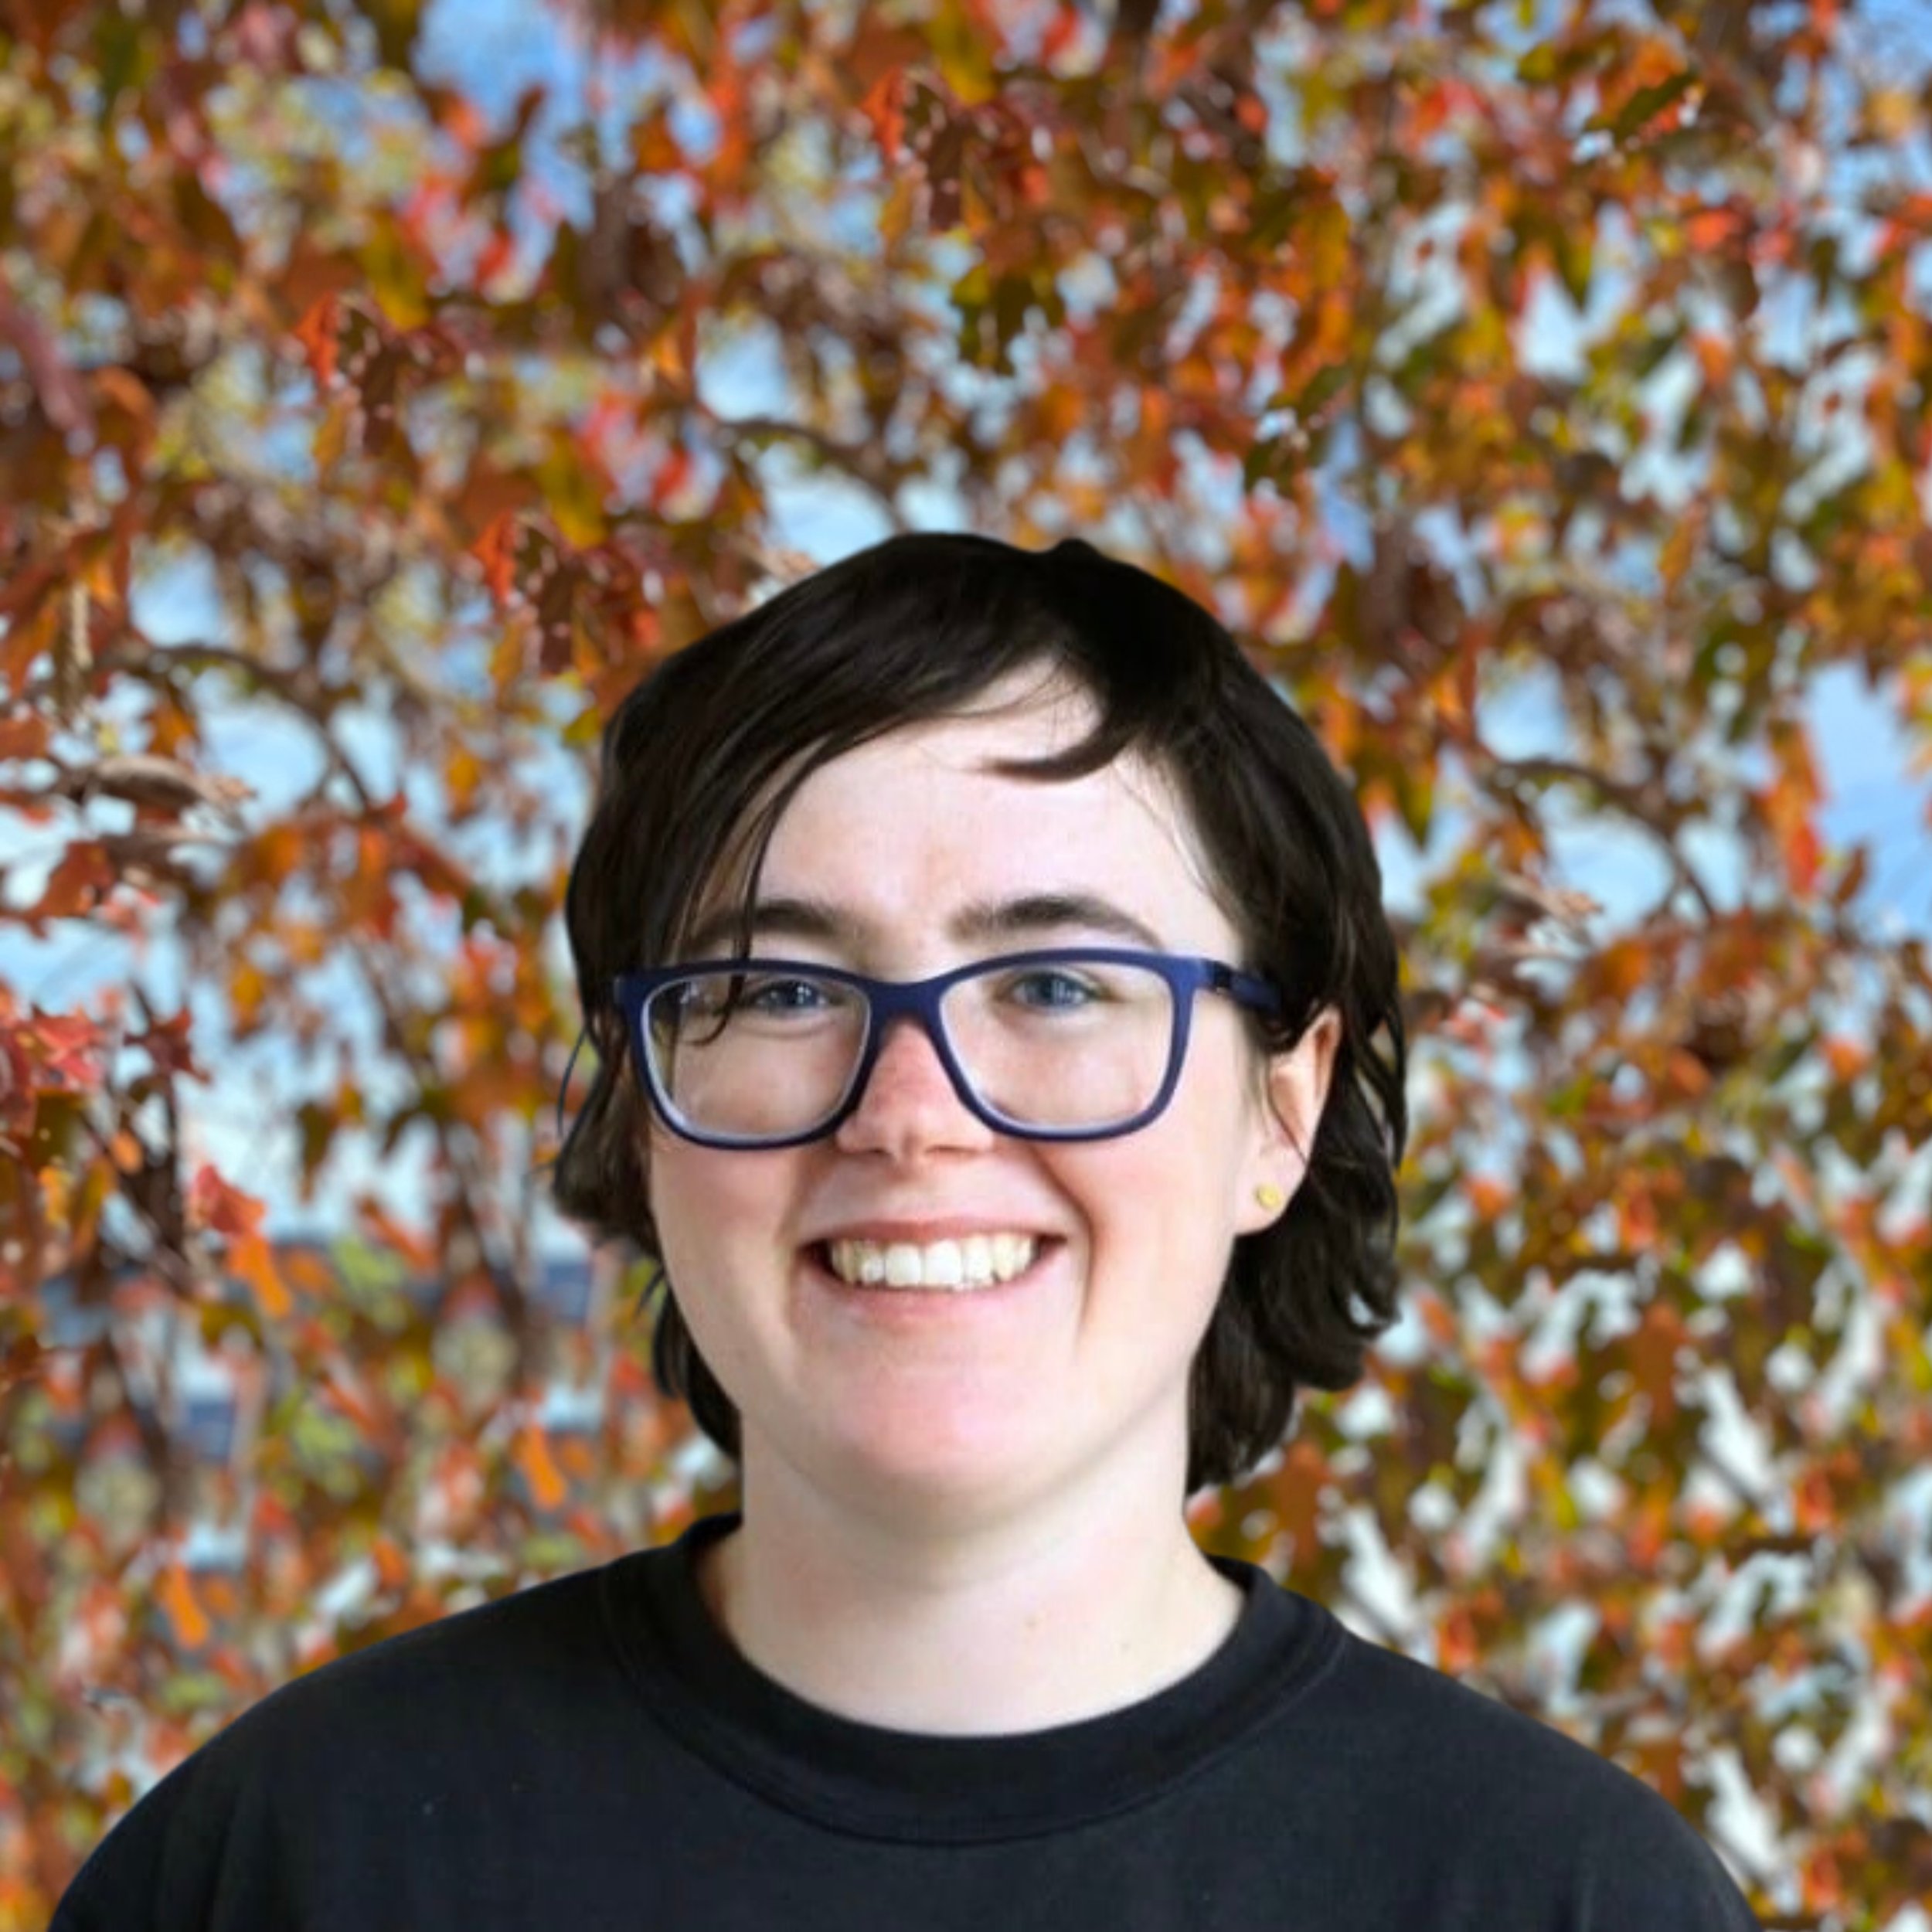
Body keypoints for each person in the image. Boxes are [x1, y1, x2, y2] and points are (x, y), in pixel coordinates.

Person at [53, 533, 1760, 1930]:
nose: (910, 1111)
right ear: (643, 1106)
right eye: (782, 987)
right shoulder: (288, 1865)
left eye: (1057, 983)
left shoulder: (1566, 1899)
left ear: (1281, 1109)